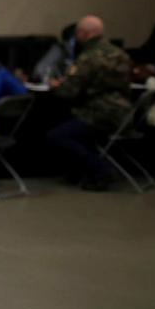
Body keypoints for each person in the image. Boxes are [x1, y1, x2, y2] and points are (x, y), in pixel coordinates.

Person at [46, 15, 132, 191]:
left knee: (58, 135)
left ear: (84, 33)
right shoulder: (119, 53)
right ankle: (86, 173)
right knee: (81, 134)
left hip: (98, 113)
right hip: (123, 113)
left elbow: (69, 92)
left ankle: (101, 169)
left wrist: (56, 85)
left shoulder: (88, 57)